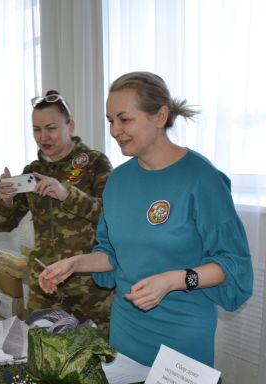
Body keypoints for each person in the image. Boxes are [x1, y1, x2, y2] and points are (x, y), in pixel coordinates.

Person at [39, 72, 253, 367]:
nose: (115, 130)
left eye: (124, 120)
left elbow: (231, 265)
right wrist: (74, 264)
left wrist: (173, 280)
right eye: (110, 120)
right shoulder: (119, 180)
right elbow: (112, 255)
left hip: (182, 334)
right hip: (126, 330)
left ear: (160, 116)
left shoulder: (201, 178)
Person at [0, 90, 113, 331]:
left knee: (96, 357)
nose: (43, 137)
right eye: (37, 129)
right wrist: (6, 201)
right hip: (45, 281)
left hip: (88, 285)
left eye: (51, 128)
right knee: (42, 352)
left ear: (70, 126)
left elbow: (111, 216)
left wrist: (67, 195)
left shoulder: (94, 162)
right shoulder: (33, 170)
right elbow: (4, 224)